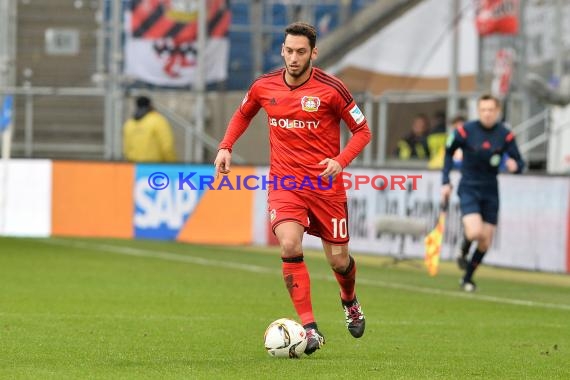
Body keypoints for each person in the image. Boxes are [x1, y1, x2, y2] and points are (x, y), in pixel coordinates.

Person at [214, 22, 371, 355]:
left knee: (339, 260)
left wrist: (340, 162)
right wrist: (226, 146)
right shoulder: (263, 85)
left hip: (326, 187)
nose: (294, 57)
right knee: (288, 244)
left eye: (301, 52)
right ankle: (310, 329)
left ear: (314, 52)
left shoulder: (333, 89)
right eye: (289, 50)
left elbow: (362, 132)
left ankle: (349, 300)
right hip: (286, 183)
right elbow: (243, 114)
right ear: (282, 50)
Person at [441, 95, 525, 292]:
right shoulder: (466, 130)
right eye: (483, 109)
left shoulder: (505, 135)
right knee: (475, 232)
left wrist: (515, 166)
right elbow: (448, 151)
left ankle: (467, 278)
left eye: (491, 110)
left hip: (490, 190)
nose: (487, 113)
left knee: (485, 241)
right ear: (479, 111)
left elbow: (520, 162)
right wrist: (445, 181)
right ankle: (463, 249)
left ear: (497, 112)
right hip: (469, 186)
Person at [123, 96, 177, 162]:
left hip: (135, 167)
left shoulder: (129, 123)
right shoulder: (158, 120)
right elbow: (167, 146)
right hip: (154, 166)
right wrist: (172, 162)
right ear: (150, 105)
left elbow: (127, 149)